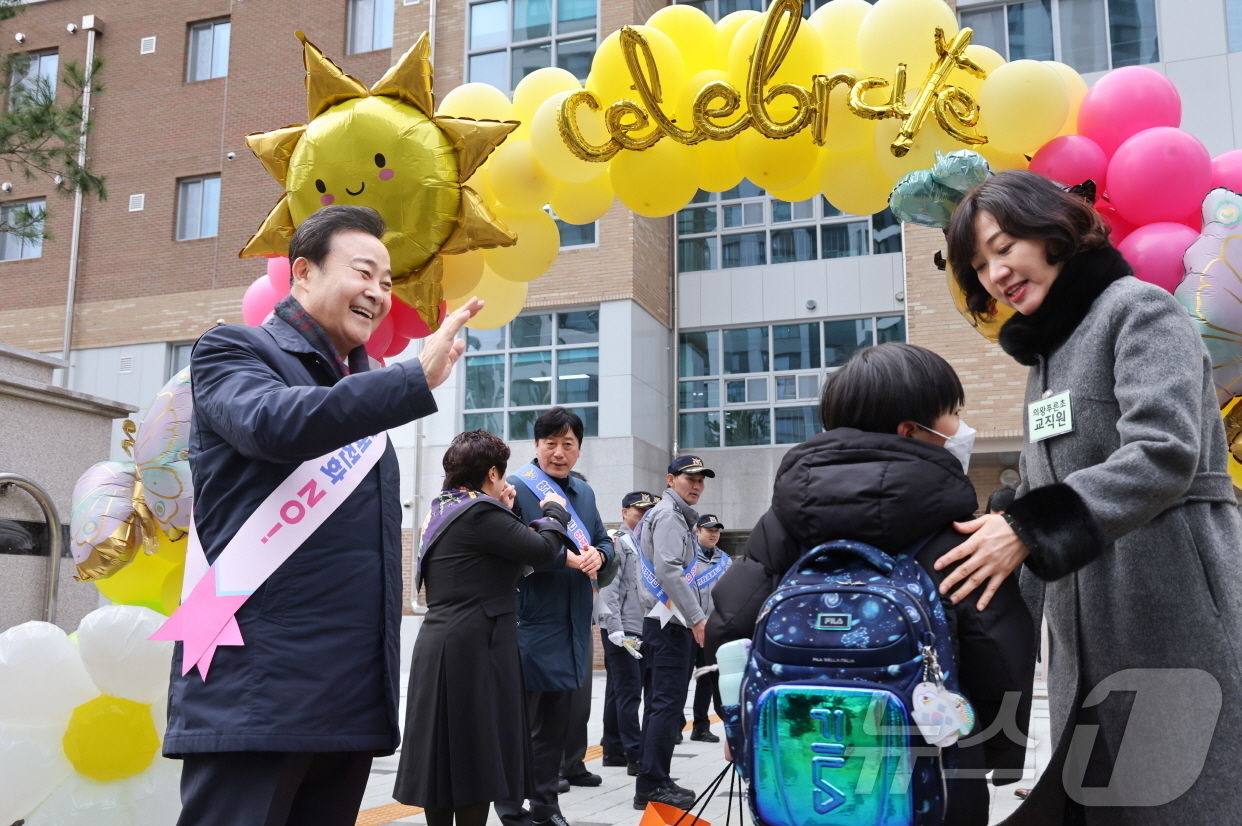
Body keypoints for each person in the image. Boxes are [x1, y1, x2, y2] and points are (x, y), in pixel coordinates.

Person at [939, 169, 1242, 824]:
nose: (995, 273)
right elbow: (1037, 497)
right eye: (979, 265)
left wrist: (1027, 526)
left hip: (1172, 613)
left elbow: (1164, 450)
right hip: (1085, 638)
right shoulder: (1047, 362)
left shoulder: (1138, 309)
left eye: (1003, 247)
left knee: (1185, 802)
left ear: (1053, 233)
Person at [164, 205, 481, 826]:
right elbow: (273, 424)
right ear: (303, 273)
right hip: (257, 689)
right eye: (363, 272)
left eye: (387, 282)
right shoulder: (233, 351)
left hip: (346, 697)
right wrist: (410, 380)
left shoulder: (364, 392)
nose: (378, 293)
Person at [707, 343, 1035, 826]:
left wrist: (739, 726)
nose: (960, 428)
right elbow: (1002, 652)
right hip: (933, 774)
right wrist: (996, 754)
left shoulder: (783, 521)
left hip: (799, 767)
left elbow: (729, 624)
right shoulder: (957, 530)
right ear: (911, 430)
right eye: (953, 414)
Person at [394, 431, 575, 826]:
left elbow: (492, 558)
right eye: (502, 474)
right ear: (492, 472)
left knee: (442, 756)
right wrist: (554, 510)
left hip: (442, 639)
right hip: (476, 644)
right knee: (475, 754)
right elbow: (543, 550)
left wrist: (504, 511)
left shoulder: (445, 508)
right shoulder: (480, 513)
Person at [495, 408, 616, 826]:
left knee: (554, 728)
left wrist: (601, 555)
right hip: (530, 624)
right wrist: (565, 558)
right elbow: (512, 549)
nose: (559, 453)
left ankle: (546, 807)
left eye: (568, 444)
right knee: (520, 725)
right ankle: (511, 809)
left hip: (573, 625)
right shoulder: (515, 488)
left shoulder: (585, 492)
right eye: (551, 444)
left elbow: (602, 540)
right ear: (536, 445)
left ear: (579, 449)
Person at [633, 455, 716, 810]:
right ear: (670, 480)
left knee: (661, 704)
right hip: (669, 623)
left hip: (666, 622)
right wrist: (697, 618)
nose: (696, 485)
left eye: (701, 479)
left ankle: (656, 776)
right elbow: (668, 570)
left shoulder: (676, 516)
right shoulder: (669, 515)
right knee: (666, 705)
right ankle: (651, 785)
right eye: (689, 478)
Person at [599, 491, 658, 775]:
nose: (645, 516)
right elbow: (609, 589)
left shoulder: (644, 544)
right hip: (624, 629)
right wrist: (614, 628)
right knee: (630, 692)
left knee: (618, 690)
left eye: (649, 512)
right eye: (640, 510)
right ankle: (635, 755)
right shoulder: (618, 542)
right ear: (624, 512)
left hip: (641, 626)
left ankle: (613, 750)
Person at [688, 514, 729, 743]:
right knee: (680, 679)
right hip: (687, 626)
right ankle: (675, 726)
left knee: (706, 679)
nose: (713, 534)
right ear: (697, 532)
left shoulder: (725, 560)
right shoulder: (687, 556)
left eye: (716, 531)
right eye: (709, 530)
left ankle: (701, 726)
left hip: (711, 630)